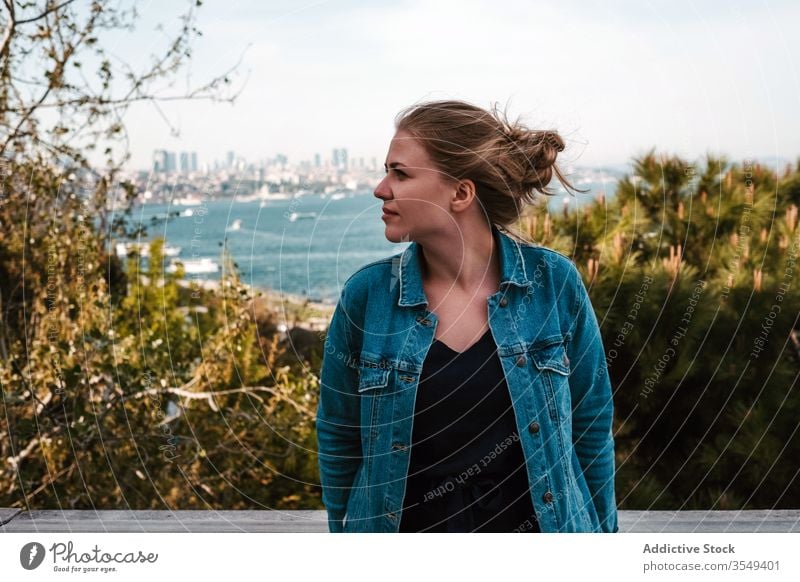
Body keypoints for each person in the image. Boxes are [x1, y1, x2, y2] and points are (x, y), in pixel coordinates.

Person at [316, 99, 619, 533]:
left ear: (460, 193)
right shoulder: (366, 298)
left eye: (400, 173)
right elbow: (339, 436)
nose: (381, 189)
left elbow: (591, 427)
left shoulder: (554, 283)